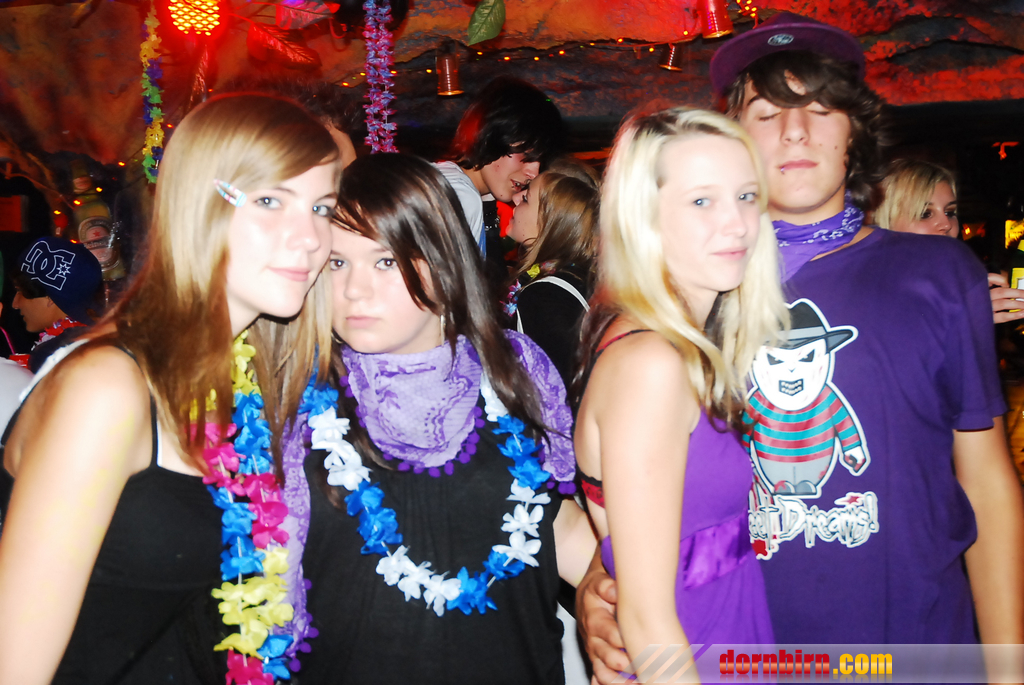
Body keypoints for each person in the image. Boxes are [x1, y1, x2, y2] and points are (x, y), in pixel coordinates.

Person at [579, 12, 1024, 679]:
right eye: (766, 113)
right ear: (733, 138)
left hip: (916, 647)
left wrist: (1009, 666)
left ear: (855, 133)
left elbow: (986, 480)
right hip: (745, 653)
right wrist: (599, 581)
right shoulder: (696, 297)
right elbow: (643, 490)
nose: (794, 130)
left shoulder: (939, 274)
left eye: (821, 108)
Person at [0, 93, 339, 685]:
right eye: (269, 200)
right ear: (198, 205)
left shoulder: (240, 385)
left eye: (322, 208)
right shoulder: (108, 388)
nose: (309, 238)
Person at [277, 153, 595, 684]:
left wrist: (614, 595)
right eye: (336, 263)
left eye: (384, 261)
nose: (354, 289)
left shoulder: (516, 370)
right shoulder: (296, 399)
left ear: (443, 258)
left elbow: (553, 520)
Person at [573, 107, 784, 679]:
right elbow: (647, 618)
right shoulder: (652, 364)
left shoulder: (671, 346)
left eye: (746, 196)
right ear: (644, 218)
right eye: (702, 201)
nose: (737, 224)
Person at [875, 158, 1024, 323]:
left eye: (950, 212)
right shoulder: (870, 289)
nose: (946, 224)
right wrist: (962, 317)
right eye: (925, 214)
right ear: (885, 220)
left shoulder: (972, 282)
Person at [435, 76, 565, 254]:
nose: (533, 173)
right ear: (491, 135)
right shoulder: (460, 196)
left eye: (540, 161)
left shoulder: (450, 184)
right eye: (526, 155)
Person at [506, 158, 600, 386]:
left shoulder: (544, 297)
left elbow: (557, 388)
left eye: (526, 198)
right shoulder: (580, 275)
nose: (516, 198)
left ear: (550, 222)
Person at [9, 236, 102, 372]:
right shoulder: (101, 338)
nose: (15, 304)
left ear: (51, 298)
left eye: (21, 291)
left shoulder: (52, 357)